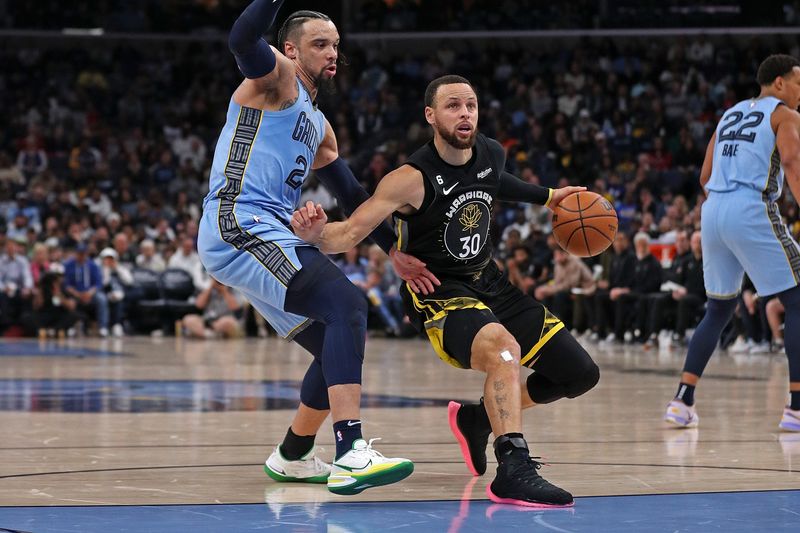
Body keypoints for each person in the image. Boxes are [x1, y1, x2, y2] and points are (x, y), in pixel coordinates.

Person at [291, 75, 600, 507]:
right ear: (431, 116)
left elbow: (496, 182)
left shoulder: (491, 151)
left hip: (489, 281)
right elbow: (351, 231)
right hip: (439, 291)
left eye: (471, 105)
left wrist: (548, 197)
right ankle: (512, 467)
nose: (465, 114)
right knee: (504, 350)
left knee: (580, 373)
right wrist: (318, 234)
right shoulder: (409, 178)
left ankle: (477, 418)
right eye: (454, 106)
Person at [197, 0, 433, 495]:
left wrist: (393, 249)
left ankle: (295, 453)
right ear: (289, 49)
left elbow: (351, 196)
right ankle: (350, 453)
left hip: (267, 230)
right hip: (238, 219)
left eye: (336, 46)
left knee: (336, 344)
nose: (331, 53)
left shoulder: (320, 126)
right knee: (347, 305)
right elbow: (241, 38)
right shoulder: (276, 79)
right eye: (320, 44)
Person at [664, 55, 800, 432]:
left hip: (713, 211)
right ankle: (796, 409)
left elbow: (705, 175)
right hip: (749, 206)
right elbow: (791, 162)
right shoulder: (785, 114)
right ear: (777, 84)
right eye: (798, 83)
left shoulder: (730, 114)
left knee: (719, 309)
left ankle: (682, 400)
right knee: (797, 300)